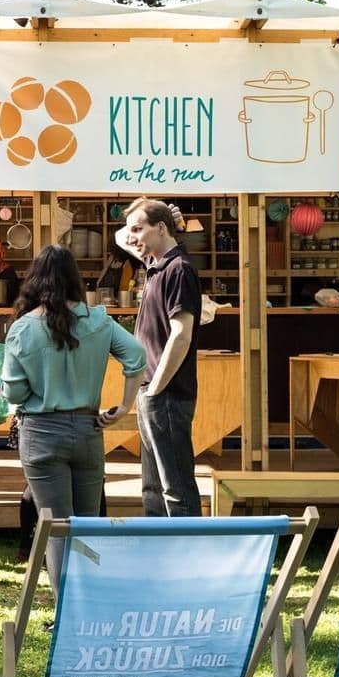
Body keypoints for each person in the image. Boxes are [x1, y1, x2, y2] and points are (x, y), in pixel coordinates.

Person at [2, 245, 145, 589]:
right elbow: (137, 356)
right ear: (76, 280)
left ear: (35, 280)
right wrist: (124, 407)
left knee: (57, 527)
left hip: (41, 433)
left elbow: (13, 394)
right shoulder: (99, 320)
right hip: (88, 429)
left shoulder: (23, 328)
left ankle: (65, 609)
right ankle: (89, 603)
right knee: (88, 524)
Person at [116, 199, 202, 517]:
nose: (133, 236)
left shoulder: (178, 269)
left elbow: (182, 334)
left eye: (139, 229)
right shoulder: (154, 265)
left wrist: (155, 389)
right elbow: (120, 237)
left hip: (165, 393)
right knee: (152, 487)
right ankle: (157, 551)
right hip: (150, 390)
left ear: (161, 228)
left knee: (175, 486)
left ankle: (188, 556)